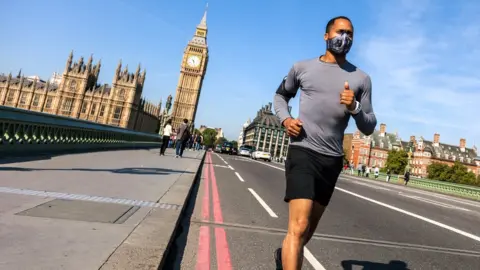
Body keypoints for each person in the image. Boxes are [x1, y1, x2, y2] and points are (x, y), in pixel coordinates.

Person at [273, 16, 376, 270]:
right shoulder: (302, 68)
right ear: (326, 35)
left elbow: (369, 125)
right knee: (297, 226)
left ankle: (283, 254)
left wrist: (354, 107)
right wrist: (286, 120)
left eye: (350, 34)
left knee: (305, 233)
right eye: (340, 32)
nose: (345, 38)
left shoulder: (361, 79)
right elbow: (280, 96)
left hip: (331, 160)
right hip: (303, 150)